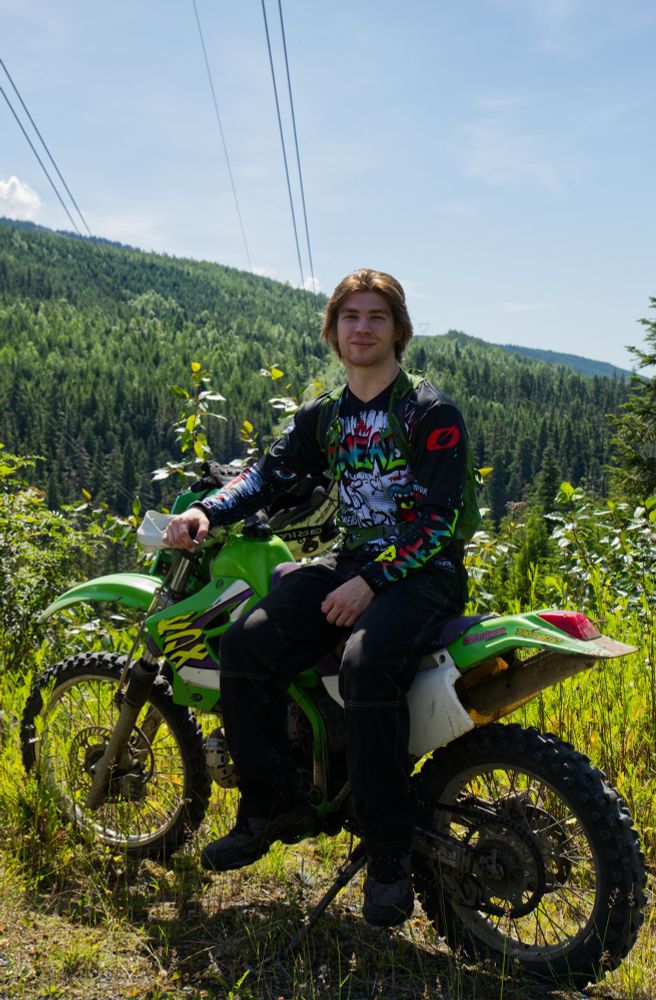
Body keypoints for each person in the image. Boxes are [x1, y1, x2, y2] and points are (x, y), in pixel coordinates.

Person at [163, 268, 474, 928]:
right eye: (350, 316)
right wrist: (205, 513)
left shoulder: (430, 413)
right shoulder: (326, 416)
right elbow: (265, 478)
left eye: (377, 316)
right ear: (333, 331)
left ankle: (389, 854)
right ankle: (273, 805)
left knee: (366, 663)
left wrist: (371, 583)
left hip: (426, 572)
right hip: (353, 560)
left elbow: (437, 523)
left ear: (398, 330)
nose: (363, 328)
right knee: (247, 641)